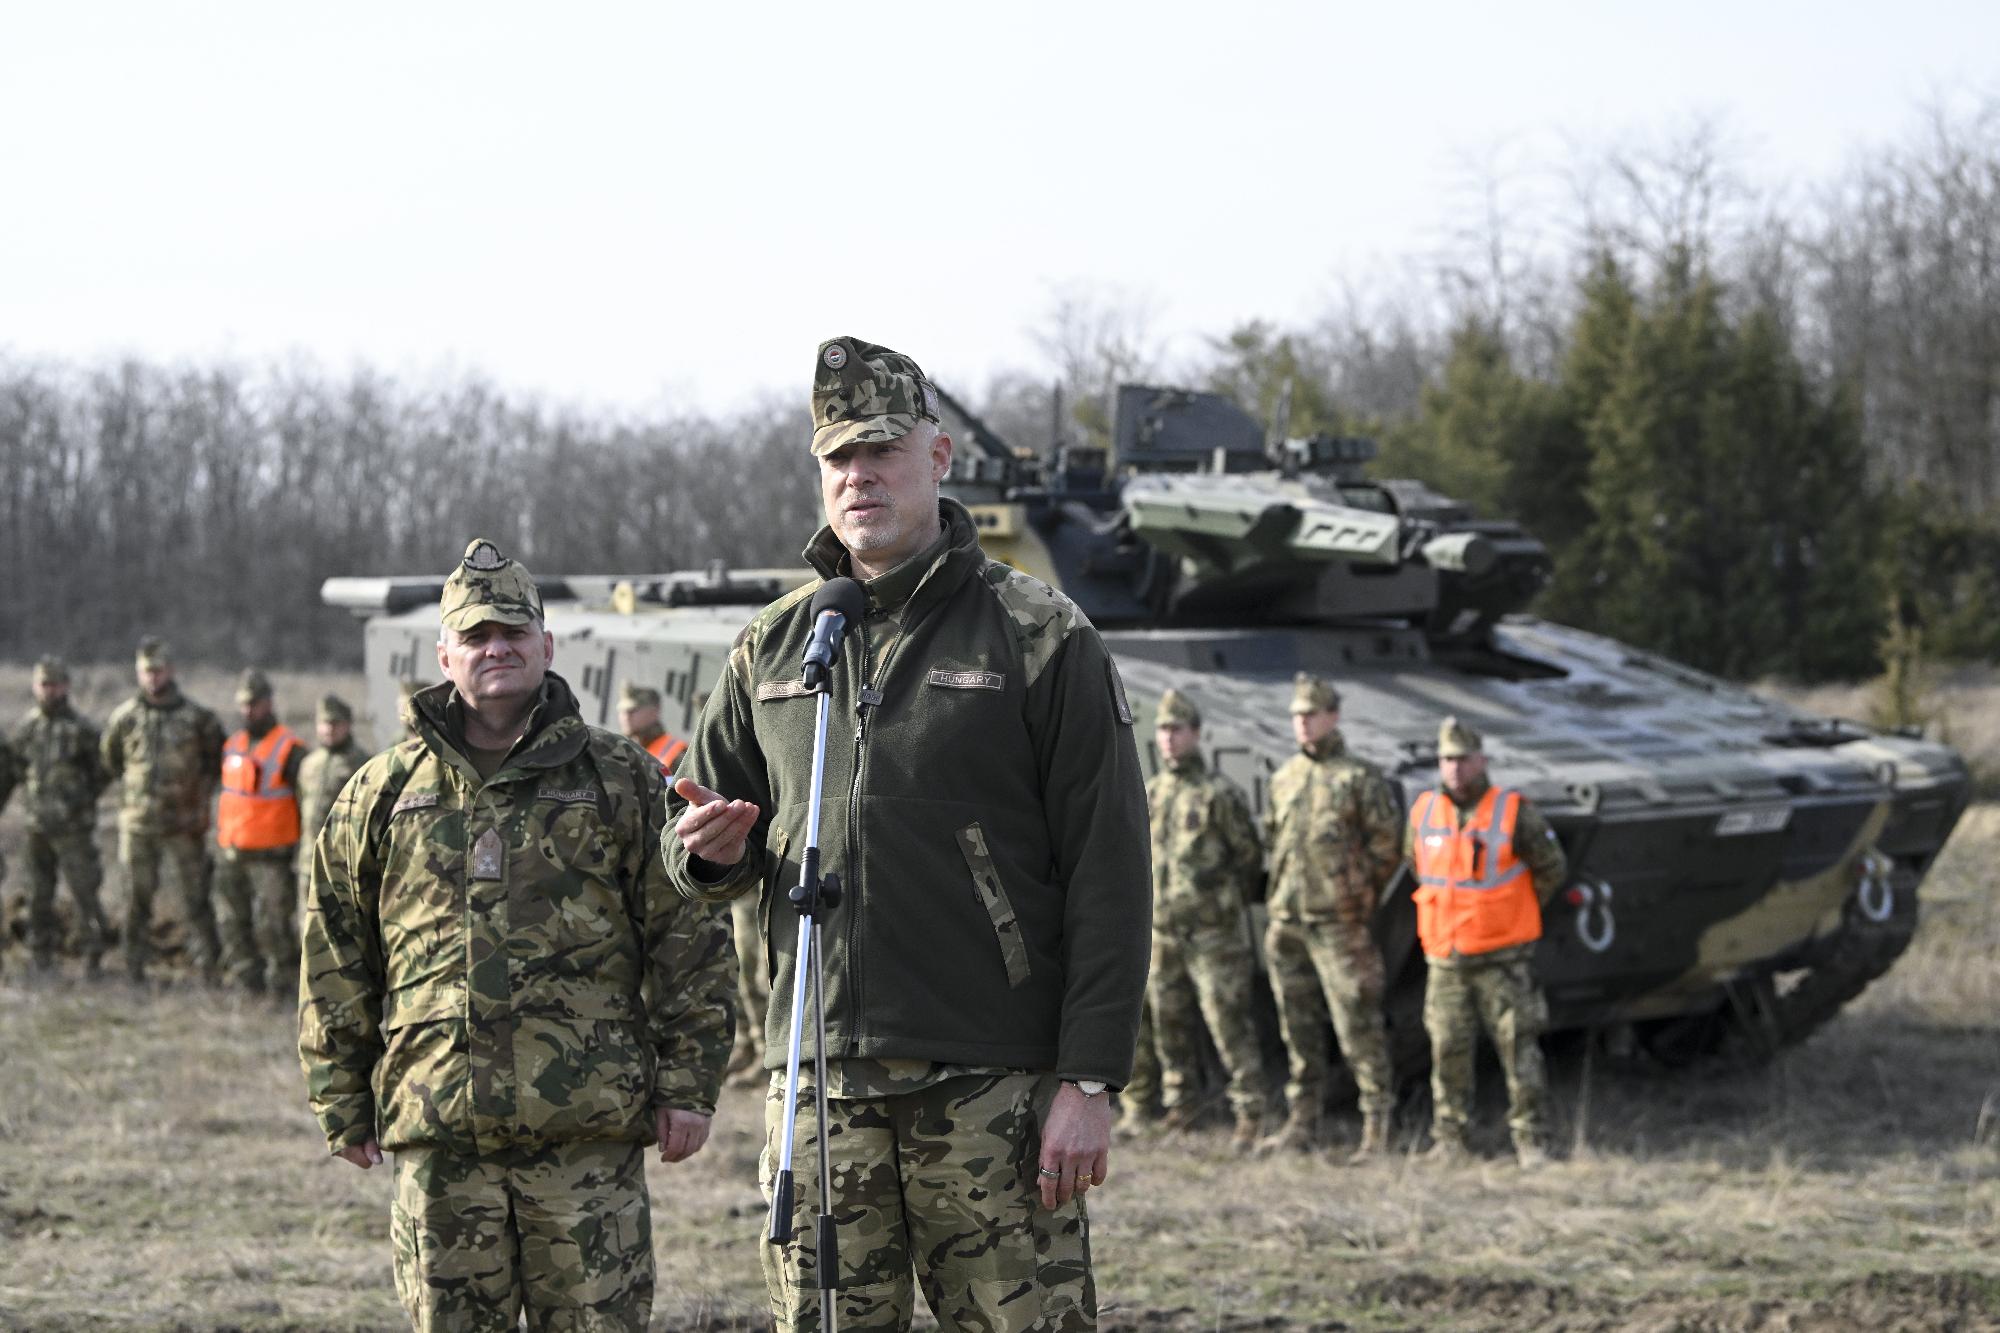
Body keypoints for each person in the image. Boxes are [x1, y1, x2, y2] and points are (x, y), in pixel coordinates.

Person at [665, 335, 1150, 1332]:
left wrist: (1088, 1079)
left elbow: (1110, 867)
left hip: (991, 1086)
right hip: (819, 1081)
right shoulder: (775, 644)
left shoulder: (1036, 635)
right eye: (836, 458)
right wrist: (702, 855)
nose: (857, 477)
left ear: (936, 456)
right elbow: (698, 836)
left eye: (880, 451)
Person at [299, 537, 735, 1333]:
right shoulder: (382, 790)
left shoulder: (620, 776)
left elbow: (689, 933)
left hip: (586, 1138)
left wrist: (690, 1084)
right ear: (444, 654)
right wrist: (340, 1093)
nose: (495, 648)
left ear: (546, 644)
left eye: (512, 632)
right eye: (475, 636)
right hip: (439, 1137)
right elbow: (335, 947)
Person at [1406, 715, 1568, 1167]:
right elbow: (1418, 867)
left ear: (1481, 761)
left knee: (1518, 1048)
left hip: (1503, 958)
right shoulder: (1423, 813)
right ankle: (1450, 1139)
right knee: (1447, 1048)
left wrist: (1512, 911)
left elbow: (1550, 867)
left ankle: (1531, 1140)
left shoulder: (1513, 811)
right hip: (1446, 957)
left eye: (1462, 759)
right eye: (1446, 760)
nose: (1455, 769)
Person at [1259, 673, 1401, 1159]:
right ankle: (1303, 1121)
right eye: (1297, 716)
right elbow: (1272, 841)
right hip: (1288, 922)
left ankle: (1377, 1126)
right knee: (1297, 1029)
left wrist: (1355, 897)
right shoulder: (1285, 777)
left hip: (1340, 926)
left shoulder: (1359, 778)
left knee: (1357, 1025)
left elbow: (1388, 848)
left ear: (1332, 717)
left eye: (1311, 715)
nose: (1302, 724)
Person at [1143, 688, 1268, 1149]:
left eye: (1178, 729)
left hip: (1214, 937)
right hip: (1162, 933)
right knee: (1169, 1024)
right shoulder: (1152, 793)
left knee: (1228, 1025)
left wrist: (1217, 902)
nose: (1169, 738)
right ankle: (1182, 1107)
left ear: (1196, 734)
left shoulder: (1220, 795)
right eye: (1163, 730)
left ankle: (1250, 1113)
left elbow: (1248, 859)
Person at [624, 680, 764, 1078]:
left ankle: (760, 1046)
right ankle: (745, 1044)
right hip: (679, 869)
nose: (625, 714)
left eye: (633, 706)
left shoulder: (679, 753)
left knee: (746, 964)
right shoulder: (630, 750)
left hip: (731, 878)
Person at [101, 637, 225, 985]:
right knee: (135, 899)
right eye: (146, 672)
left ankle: (208, 969)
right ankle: (133, 968)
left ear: (170, 671)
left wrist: (197, 801)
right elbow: (111, 760)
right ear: (138, 674)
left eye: (158, 671)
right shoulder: (125, 718)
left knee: (196, 898)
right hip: (138, 826)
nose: (153, 678)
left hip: (184, 827)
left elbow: (216, 763)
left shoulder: (197, 719)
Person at [10, 657, 115, 976]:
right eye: (44, 684)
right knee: (37, 893)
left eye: (55, 684)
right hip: (36, 826)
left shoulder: (82, 730)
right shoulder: (26, 729)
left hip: (74, 829)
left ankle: (93, 955)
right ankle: (40, 954)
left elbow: (103, 770)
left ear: (66, 687)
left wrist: (80, 800)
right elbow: (17, 768)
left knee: (84, 891)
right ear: (35, 687)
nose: (50, 691)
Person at [213, 669, 306, 994]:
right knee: (231, 921)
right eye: (243, 704)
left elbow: (306, 802)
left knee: (274, 926)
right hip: (233, 852)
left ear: (268, 703)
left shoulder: (290, 747)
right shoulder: (233, 744)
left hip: (271, 857)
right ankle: (245, 982)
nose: (248, 711)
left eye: (254, 703)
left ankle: (281, 986)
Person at [294, 693, 363, 890]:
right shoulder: (309, 764)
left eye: (335, 724)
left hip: (344, 865)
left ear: (347, 725)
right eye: (324, 723)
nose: (329, 730)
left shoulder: (361, 763)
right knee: (306, 920)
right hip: (310, 861)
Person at [617, 681, 687, 772]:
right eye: (622, 711)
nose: (626, 717)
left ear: (654, 712)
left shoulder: (675, 753)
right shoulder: (620, 751)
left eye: (633, 710)